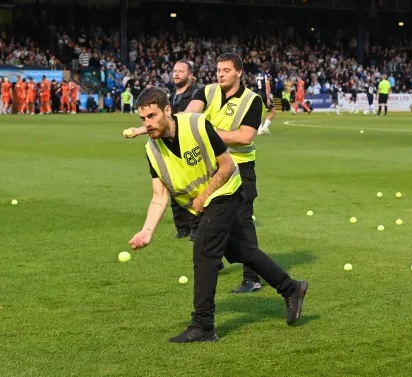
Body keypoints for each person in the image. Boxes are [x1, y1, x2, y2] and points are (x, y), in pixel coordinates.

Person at [128, 87, 308, 343]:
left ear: (167, 110)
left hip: (225, 190)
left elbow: (227, 165)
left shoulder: (197, 125)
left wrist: (204, 195)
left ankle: (203, 325)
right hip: (203, 204)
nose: (147, 124)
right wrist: (147, 230)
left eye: (152, 116)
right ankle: (292, 288)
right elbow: (159, 196)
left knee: (204, 252)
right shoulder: (152, 149)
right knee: (241, 251)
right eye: (143, 119)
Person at [125, 53, 266, 294]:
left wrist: (206, 132)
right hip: (210, 166)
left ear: (239, 72)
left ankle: (251, 277)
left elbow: (245, 137)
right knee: (206, 220)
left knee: (242, 221)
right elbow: (185, 118)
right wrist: (144, 128)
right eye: (219, 70)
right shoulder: (207, 91)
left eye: (226, 70)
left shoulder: (252, 100)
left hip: (240, 167)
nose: (220, 74)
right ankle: (215, 260)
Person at [124, 60, 201, 240]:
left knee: (195, 187)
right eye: (174, 71)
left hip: (190, 144)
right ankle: (183, 228)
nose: (176, 74)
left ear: (190, 75)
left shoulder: (196, 94)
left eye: (181, 71)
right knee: (173, 186)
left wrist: (140, 130)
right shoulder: (172, 95)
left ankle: (198, 229)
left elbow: (181, 118)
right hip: (170, 144)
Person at [255, 64, 276, 135]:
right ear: (269, 68)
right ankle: (264, 127)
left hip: (258, 93)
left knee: (259, 112)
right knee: (273, 111)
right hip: (264, 94)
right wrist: (268, 99)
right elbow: (267, 87)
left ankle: (259, 130)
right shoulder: (267, 75)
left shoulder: (258, 75)